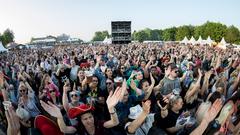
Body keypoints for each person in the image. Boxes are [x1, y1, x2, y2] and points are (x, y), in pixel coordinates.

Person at [40, 85, 123, 135]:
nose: (89, 120)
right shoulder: (78, 128)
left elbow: (115, 122)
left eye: (90, 117)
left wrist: (111, 109)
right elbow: (64, 129)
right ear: (81, 121)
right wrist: (59, 117)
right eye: (85, 119)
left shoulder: (99, 124)